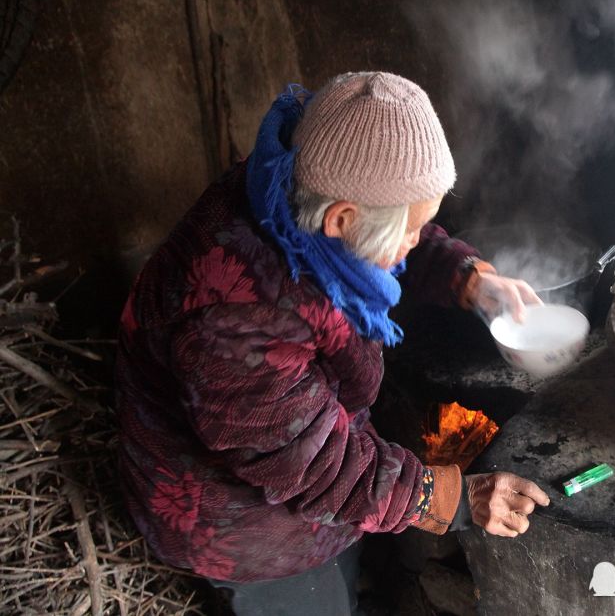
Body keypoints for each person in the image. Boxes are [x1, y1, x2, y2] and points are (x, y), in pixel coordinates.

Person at [115, 72, 551, 615]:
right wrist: (449, 498)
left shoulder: (298, 180)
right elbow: (314, 466)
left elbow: (386, 227)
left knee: (346, 567)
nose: (417, 240)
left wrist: (466, 276)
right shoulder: (237, 320)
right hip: (242, 522)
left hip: (284, 447)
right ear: (340, 219)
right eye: (415, 230)